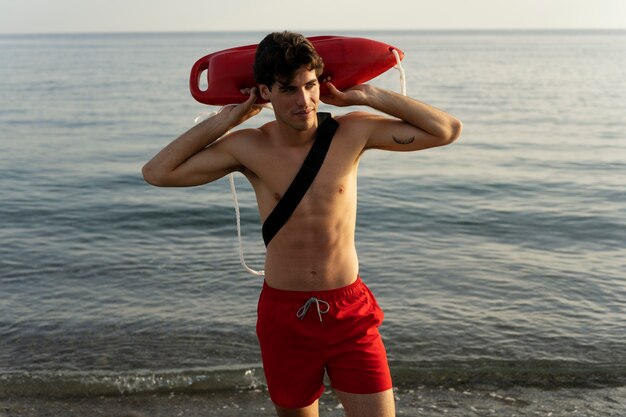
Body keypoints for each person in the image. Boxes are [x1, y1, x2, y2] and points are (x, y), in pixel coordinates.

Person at [142, 31, 461, 417]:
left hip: (349, 312)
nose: (304, 101)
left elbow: (447, 130)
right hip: (285, 318)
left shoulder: (353, 131)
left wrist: (368, 96)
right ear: (265, 92)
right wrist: (227, 120)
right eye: (288, 89)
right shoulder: (248, 147)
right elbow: (157, 173)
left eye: (310, 85)